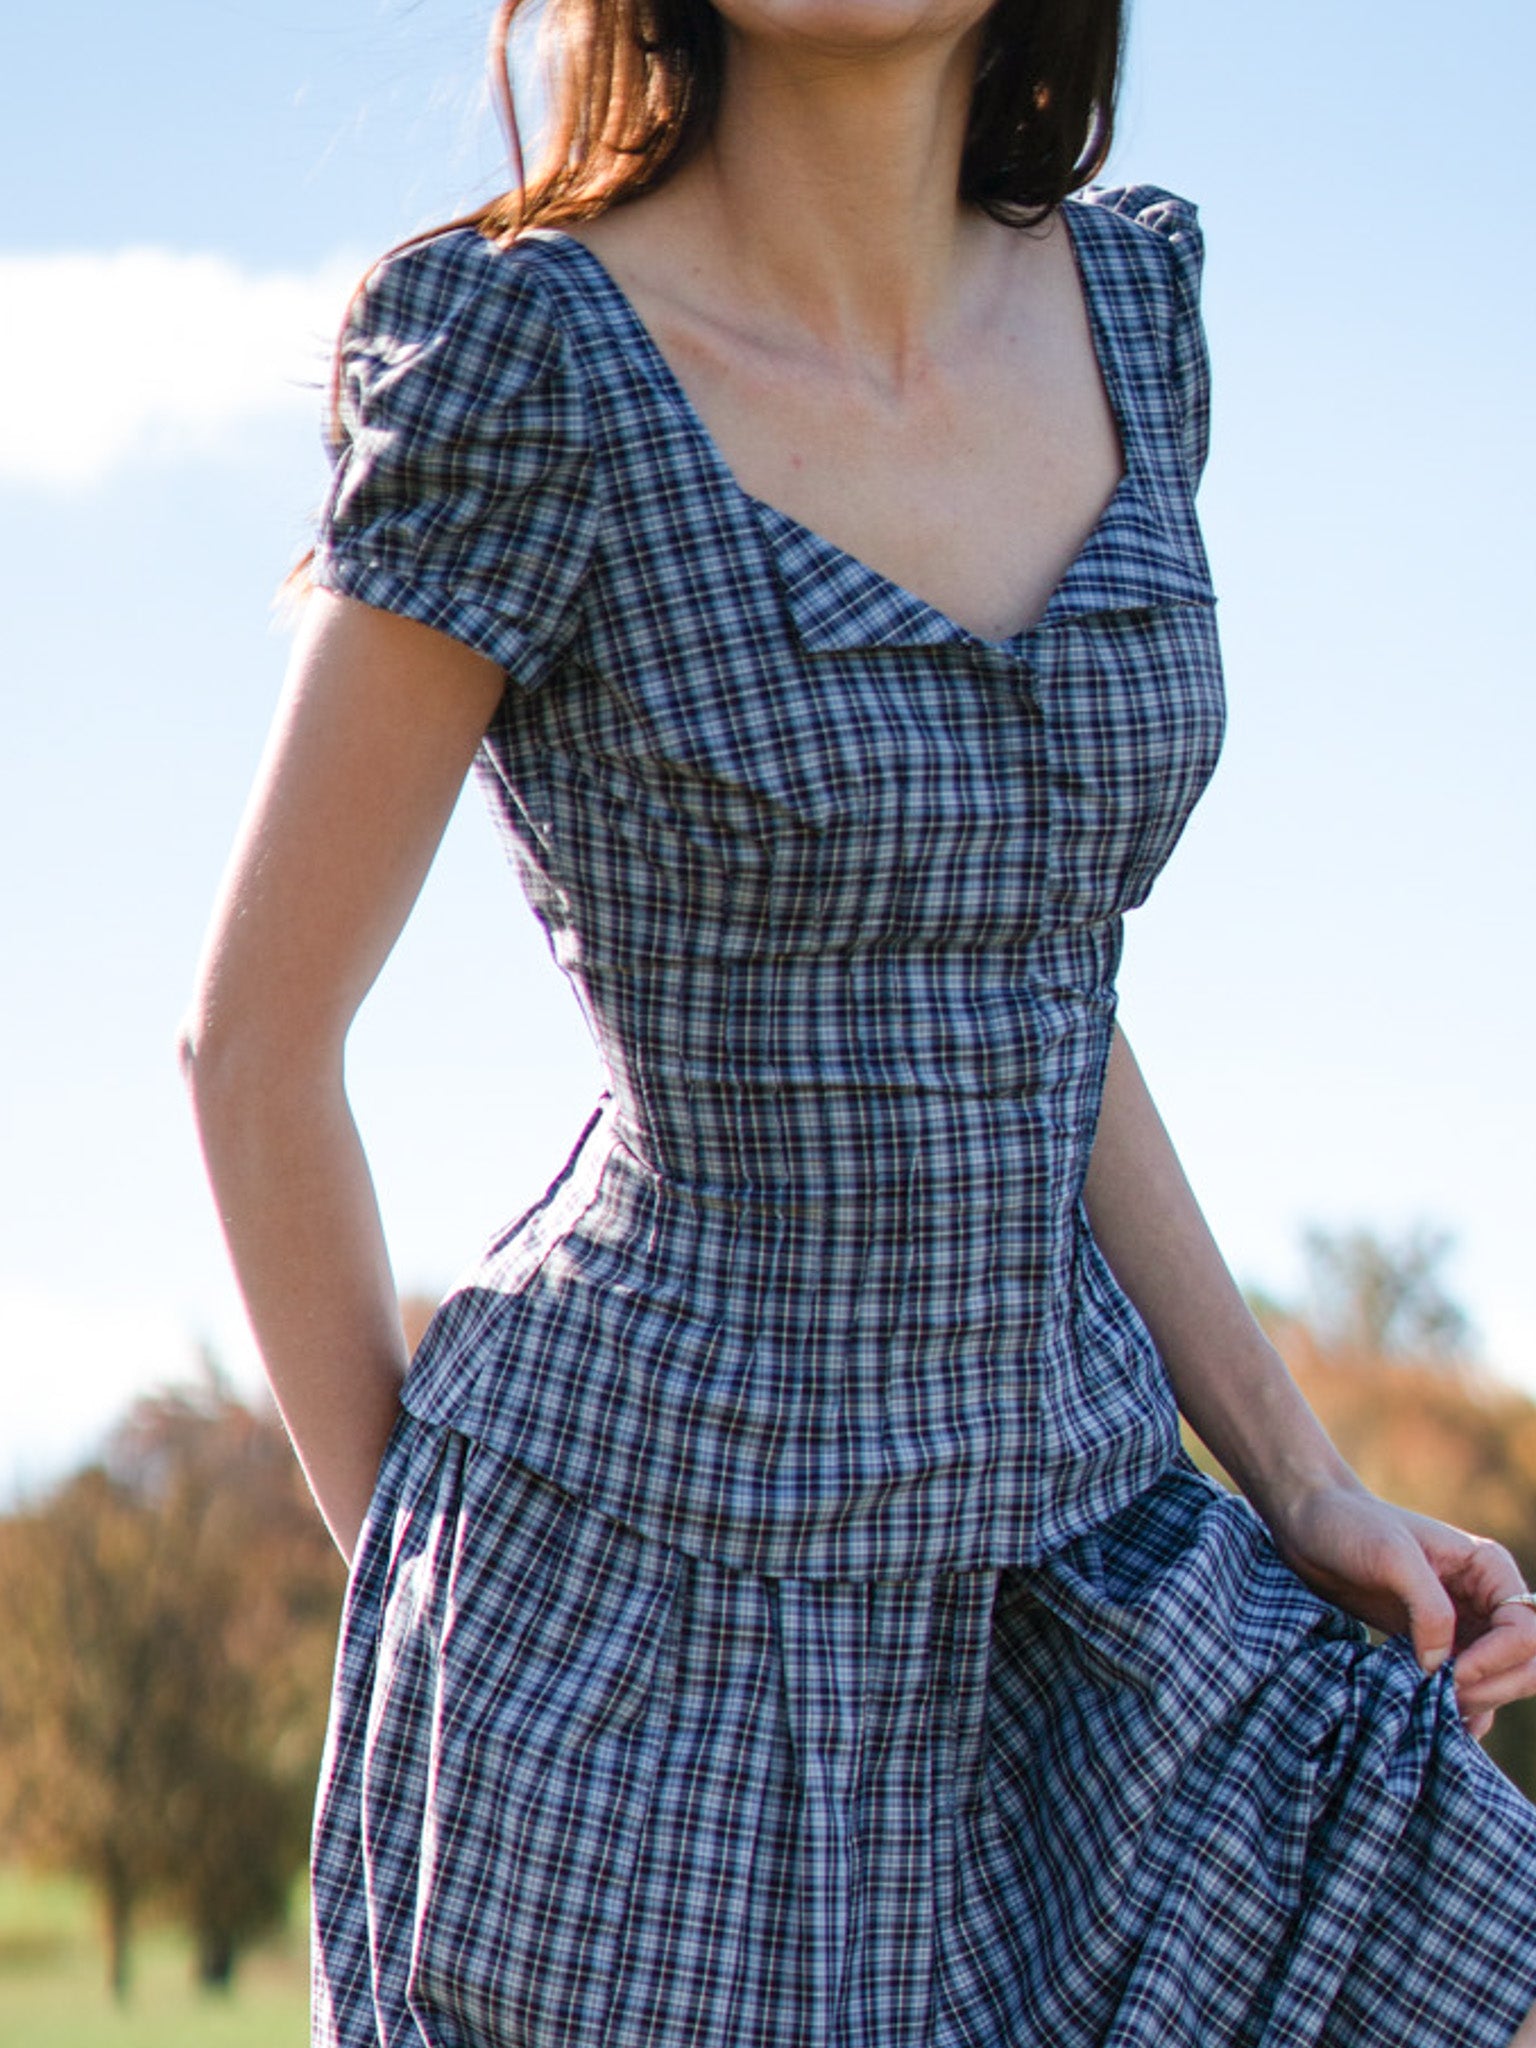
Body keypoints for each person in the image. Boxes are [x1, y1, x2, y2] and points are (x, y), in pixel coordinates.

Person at [181, 0, 1536, 2040]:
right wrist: (445, 1605)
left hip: (1097, 1573)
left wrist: (1300, 1474)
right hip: (648, 1635)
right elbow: (255, 1047)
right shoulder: (528, 359)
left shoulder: (1132, 319)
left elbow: (1032, 973)